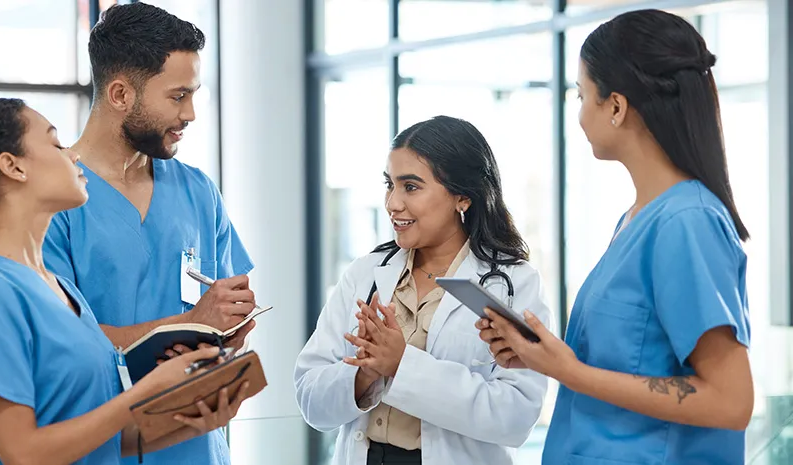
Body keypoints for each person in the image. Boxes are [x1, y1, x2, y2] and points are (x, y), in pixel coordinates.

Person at [0, 98, 250, 464]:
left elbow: (103, 439)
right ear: (13, 166)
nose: (74, 156)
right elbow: (23, 453)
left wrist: (197, 419)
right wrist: (142, 394)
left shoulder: (64, 292)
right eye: (56, 144)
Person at [478, 9, 754, 465]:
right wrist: (545, 358)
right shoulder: (637, 218)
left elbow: (730, 400)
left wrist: (573, 373)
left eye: (582, 94)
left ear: (616, 107)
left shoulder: (686, 222)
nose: (580, 112)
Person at [42, 4, 255, 465]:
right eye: (178, 96)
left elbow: (220, 315)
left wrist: (228, 331)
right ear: (120, 94)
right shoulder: (54, 202)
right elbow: (62, 347)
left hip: (198, 446)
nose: (192, 114)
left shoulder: (198, 191)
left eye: (194, 94)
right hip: (102, 446)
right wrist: (188, 322)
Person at [294, 115, 553, 465]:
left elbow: (516, 416)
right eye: (390, 184)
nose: (393, 203)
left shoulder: (513, 284)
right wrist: (365, 374)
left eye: (411, 187)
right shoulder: (366, 273)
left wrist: (402, 365)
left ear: (463, 197)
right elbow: (310, 399)